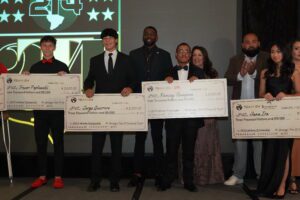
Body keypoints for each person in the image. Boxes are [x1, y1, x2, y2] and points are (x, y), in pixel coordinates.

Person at [84, 28, 136, 192]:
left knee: (116, 147)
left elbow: (134, 80)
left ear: (116, 40)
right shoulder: (95, 60)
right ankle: (95, 180)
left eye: (110, 38)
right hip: (99, 110)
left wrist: (129, 88)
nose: (107, 41)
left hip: (118, 110)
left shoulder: (126, 60)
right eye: (104, 39)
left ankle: (114, 181)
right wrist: (87, 89)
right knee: (96, 148)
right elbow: (88, 80)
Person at [128, 26, 173, 187]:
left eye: (151, 34)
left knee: (157, 138)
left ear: (156, 36)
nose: (148, 36)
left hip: (157, 103)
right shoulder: (133, 54)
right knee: (139, 139)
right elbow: (131, 77)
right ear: (143, 36)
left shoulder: (165, 55)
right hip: (139, 102)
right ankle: (137, 173)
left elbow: (170, 74)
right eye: (146, 33)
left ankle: (159, 173)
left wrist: (169, 76)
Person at [159, 43, 205, 192]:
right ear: (176, 54)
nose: (184, 54)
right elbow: (159, 94)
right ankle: (168, 179)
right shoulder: (166, 72)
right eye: (181, 51)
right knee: (171, 151)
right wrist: (164, 84)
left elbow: (206, 94)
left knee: (189, 152)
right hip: (173, 120)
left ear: (190, 55)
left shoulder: (199, 72)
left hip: (192, 120)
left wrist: (199, 82)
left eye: (187, 51)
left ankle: (189, 181)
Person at [224, 33, 269, 186]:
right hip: (240, 108)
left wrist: (253, 73)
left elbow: (273, 78)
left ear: (259, 43)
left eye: (254, 42)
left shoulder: (267, 58)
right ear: (243, 45)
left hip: (261, 107)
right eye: (247, 42)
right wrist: (240, 75)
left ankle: (261, 175)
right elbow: (227, 78)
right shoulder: (235, 59)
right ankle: (238, 174)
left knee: (259, 143)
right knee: (239, 143)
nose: (250, 45)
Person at [257, 42, 300, 198]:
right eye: (272, 51)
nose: (275, 54)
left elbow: (299, 94)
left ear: (285, 53)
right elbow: (260, 93)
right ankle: (267, 185)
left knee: (284, 152)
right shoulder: (264, 72)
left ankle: (282, 185)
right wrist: (265, 96)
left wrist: (287, 96)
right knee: (269, 151)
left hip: (287, 118)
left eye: (278, 51)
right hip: (269, 119)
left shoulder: (293, 72)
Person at [28, 36, 69, 189]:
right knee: (40, 144)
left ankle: (58, 177)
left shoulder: (63, 66)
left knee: (58, 143)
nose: (47, 48)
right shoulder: (34, 67)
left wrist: (65, 78)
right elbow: (29, 90)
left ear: (54, 47)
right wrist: (25, 78)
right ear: (40, 47)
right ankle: (42, 175)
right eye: (44, 45)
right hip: (40, 113)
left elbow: (70, 89)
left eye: (49, 45)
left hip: (57, 112)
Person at [190, 46, 224, 185]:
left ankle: (209, 177)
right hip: (191, 114)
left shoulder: (212, 73)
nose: (197, 58)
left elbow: (216, 95)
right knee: (193, 145)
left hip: (208, 116)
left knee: (207, 145)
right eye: (194, 55)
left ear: (205, 57)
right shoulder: (187, 73)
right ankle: (192, 177)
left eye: (200, 55)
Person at [289, 38, 300, 194]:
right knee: (294, 144)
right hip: (292, 110)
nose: (299, 51)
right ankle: (291, 178)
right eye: (297, 48)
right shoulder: (285, 67)